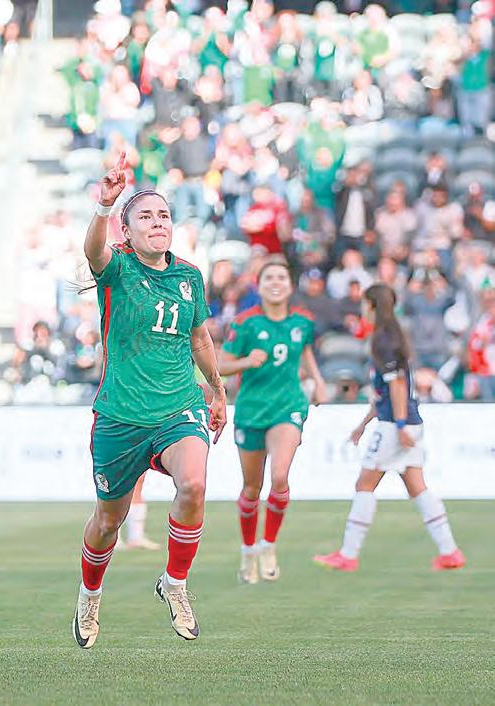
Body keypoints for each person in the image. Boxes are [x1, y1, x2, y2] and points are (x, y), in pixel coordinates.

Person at [72, 153, 227, 648]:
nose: (157, 222)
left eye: (163, 215)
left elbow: (200, 339)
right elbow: (93, 249)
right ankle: (90, 594)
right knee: (107, 522)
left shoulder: (189, 277)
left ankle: (175, 583)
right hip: (120, 416)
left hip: (179, 408)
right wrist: (104, 205)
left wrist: (217, 389)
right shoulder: (117, 269)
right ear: (127, 229)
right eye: (145, 216)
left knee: (194, 485)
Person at [313, 283, 465, 573]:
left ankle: (348, 554)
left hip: (396, 425)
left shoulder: (383, 340)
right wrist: (362, 425)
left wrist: (399, 425)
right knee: (417, 487)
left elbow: (397, 386)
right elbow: (385, 391)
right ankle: (450, 552)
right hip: (407, 422)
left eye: (364, 304)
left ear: (371, 305)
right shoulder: (392, 336)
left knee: (364, 485)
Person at [218, 261, 327, 584]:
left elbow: (305, 350)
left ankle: (269, 545)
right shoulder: (245, 323)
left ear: (290, 285)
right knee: (252, 488)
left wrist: (318, 380)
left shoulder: (302, 321)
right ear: (259, 285)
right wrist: (245, 362)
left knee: (279, 477)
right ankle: (248, 550)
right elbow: (220, 365)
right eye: (269, 278)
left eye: (282, 277)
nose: (276, 283)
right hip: (251, 410)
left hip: (288, 406)